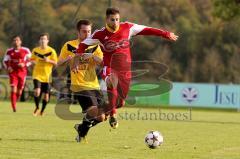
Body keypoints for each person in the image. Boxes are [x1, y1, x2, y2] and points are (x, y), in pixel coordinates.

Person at [75, 7, 179, 128]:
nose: (115, 22)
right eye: (112, 20)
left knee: (120, 102)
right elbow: (82, 45)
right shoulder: (100, 34)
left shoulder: (128, 28)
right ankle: (113, 114)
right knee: (111, 81)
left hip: (125, 71)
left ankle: (87, 121)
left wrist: (165, 34)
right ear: (107, 20)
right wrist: (77, 60)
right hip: (109, 67)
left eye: (117, 19)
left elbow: (147, 29)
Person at [58, 20, 105, 143]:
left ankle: (81, 129)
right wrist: (68, 59)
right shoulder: (69, 45)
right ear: (78, 32)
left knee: (101, 117)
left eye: (89, 31)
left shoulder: (94, 46)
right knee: (94, 111)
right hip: (79, 85)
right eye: (84, 31)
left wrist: (92, 56)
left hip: (94, 84)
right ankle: (82, 130)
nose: (87, 34)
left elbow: (103, 62)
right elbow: (59, 64)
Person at [31, 33, 58, 116]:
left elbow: (56, 63)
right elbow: (31, 60)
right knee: (37, 92)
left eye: (44, 39)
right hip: (37, 74)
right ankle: (37, 107)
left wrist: (48, 61)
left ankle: (42, 111)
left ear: (47, 41)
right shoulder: (35, 50)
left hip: (47, 76)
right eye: (41, 39)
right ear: (39, 41)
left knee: (46, 96)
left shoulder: (51, 51)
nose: (43, 41)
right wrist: (33, 62)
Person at [3, 35, 31, 112]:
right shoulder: (9, 51)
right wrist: (8, 67)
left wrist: (24, 64)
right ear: (13, 42)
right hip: (13, 72)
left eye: (17, 40)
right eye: (14, 40)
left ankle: (15, 100)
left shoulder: (26, 50)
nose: (16, 42)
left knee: (19, 91)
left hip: (22, 72)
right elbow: (5, 61)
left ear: (20, 42)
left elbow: (31, 60)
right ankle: (14, 107)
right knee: (13, 88)